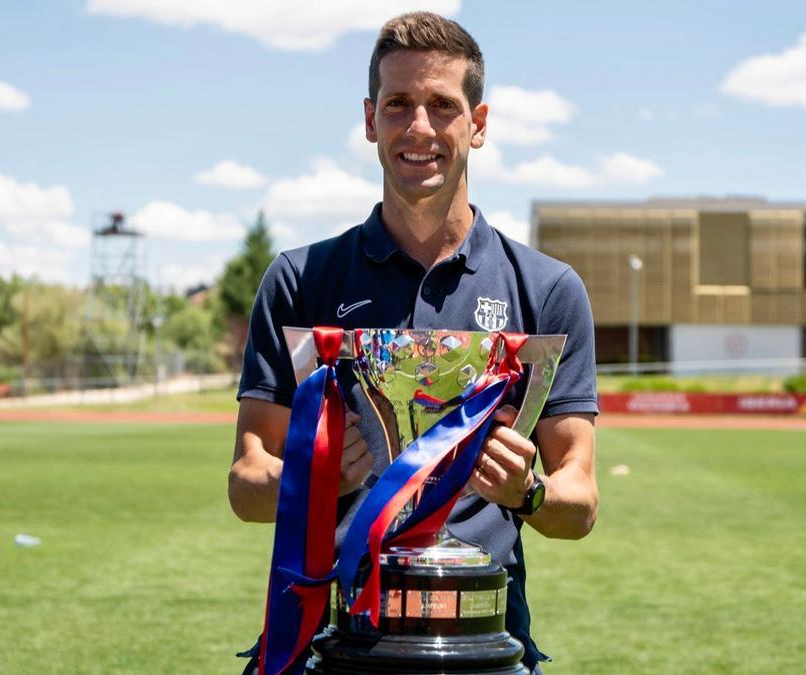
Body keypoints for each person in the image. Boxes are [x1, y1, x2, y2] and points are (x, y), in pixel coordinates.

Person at [230, 11, 599, 673]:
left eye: (442, 106)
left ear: (478, 124)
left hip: (484, 632)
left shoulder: (548, 288)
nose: (420, 128)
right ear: (371, 120)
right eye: (399, 104)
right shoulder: (299, 279)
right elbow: (245, 481)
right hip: (335, 632)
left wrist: (528, 491)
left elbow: (582, 505)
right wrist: (308, 482)